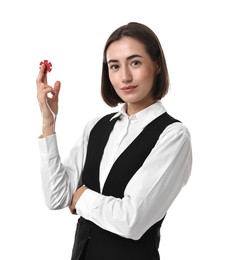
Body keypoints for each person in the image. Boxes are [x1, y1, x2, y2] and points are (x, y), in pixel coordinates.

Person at [36, 22, 192, 260]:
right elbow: (57, 197)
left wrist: (82, 197)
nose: (125, 76)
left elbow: (132, 220)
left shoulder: (172, 135)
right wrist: (49, 124)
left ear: (157, 65)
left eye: (135, 62)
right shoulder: (97, 127)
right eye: (115, 66)